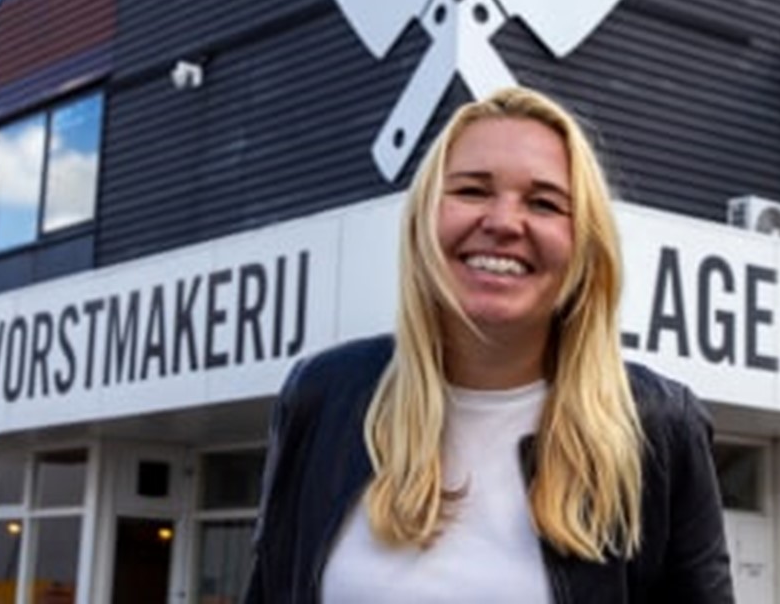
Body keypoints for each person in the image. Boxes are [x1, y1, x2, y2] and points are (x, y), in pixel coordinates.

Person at [245, 86, 735, 603]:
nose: (502, 223)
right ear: (423, 220)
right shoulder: (322, 396)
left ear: (585, 246)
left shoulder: (658, 426)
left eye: (544, 203)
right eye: (472, 191)